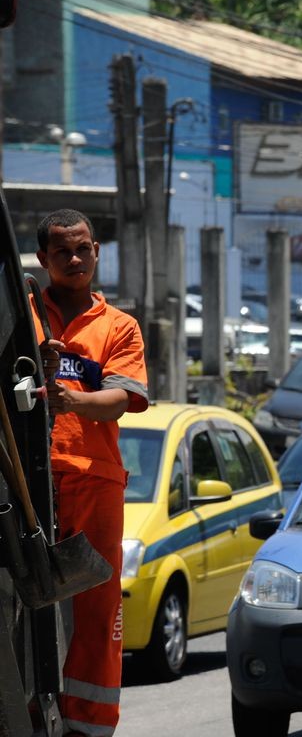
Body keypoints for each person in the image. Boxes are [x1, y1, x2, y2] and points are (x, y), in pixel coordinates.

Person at [34, 209, 149, 737]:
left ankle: (90, 727)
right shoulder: (23, 314)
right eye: (63, 251)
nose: (75, 259)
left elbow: (123, 399)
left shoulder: (119, 327)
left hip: (95, 481)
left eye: (83, 249)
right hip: (28, 481)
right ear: (44, 260)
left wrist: (71, 399)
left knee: (98, 612)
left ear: (97, 251)